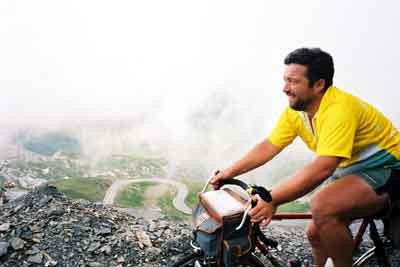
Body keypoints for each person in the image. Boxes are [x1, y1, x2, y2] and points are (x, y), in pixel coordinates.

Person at [210, 47, 400, 267]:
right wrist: (229, 172)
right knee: (316, 235)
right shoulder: (298, 110)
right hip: (354, 172)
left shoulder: (339, 110)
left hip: (390, 169)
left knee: (322, 205)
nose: (285, 88)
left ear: (318, 85)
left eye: (293, 81)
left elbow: (322, 168)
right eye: (285, 80)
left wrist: (273, 198)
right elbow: (270, 145)